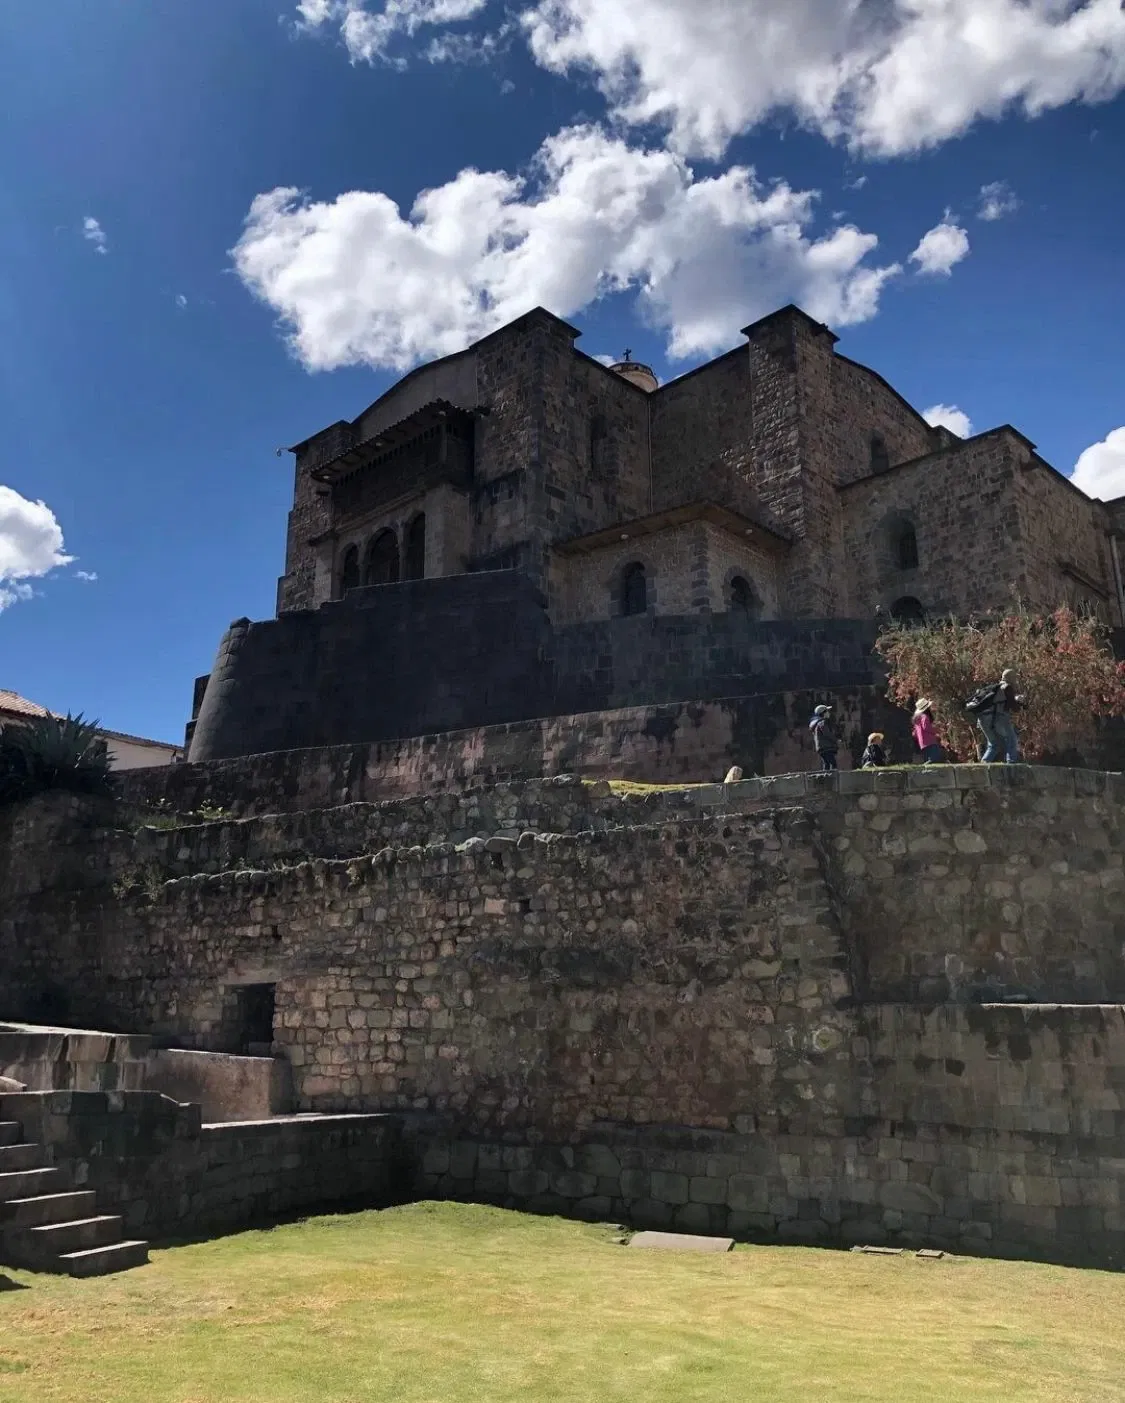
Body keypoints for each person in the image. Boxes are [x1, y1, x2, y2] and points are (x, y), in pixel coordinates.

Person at [978, 669, 1025, 763]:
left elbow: (1000, 702)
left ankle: (984, 763)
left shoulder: (995, 688)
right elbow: (1014, 707)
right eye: (1015, 678)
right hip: (998, 718)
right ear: (1011, 678)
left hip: (983, 720)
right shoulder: (1007, 687)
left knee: (994, 744)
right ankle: (1011, 763)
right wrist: (1019, 701)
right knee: (1012, 740)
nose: (1016, 680)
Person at [911, 699, 942, 763]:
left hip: (922, 743)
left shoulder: (917, 719)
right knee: (935, 757)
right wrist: (935, 731)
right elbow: (926, 727)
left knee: (927, 757)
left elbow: (915, 733)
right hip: (929, 741)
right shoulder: (924, 716)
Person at [810, 704, 838, 772]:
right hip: (826, 747)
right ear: (823, 713)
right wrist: (835, 740)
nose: (829, 713)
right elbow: (826, 733)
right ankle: (832, 779)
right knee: (833, 763)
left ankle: (826, 778)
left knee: (826, 764)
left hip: (821, 748)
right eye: (827, 711)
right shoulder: (822, 722)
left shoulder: (816, 724)